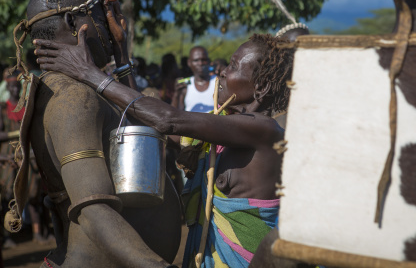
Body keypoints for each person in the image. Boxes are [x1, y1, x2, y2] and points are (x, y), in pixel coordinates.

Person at [35, 25, 294, 267]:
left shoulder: (264, 130)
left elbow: (167, 120)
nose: (223, 71)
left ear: (262, 85)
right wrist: (121, 51)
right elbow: (149, 121)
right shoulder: (224, 131)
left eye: (235, 66)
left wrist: (88, 73)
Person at [9, 0, 181, 267]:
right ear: (72, 22)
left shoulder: (75, 89)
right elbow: (94, 211)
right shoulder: (74, 97)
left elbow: (139, 128)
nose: (107, 28)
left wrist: (121, 54)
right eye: (100, 18)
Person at [173, 46, 216, 113]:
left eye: (203, 60)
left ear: (208, 61)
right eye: (196, 60)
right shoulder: (185, 84)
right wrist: (176, 94)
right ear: (189, 63)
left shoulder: (217, 82)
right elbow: (176, 113)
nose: (200, 63)